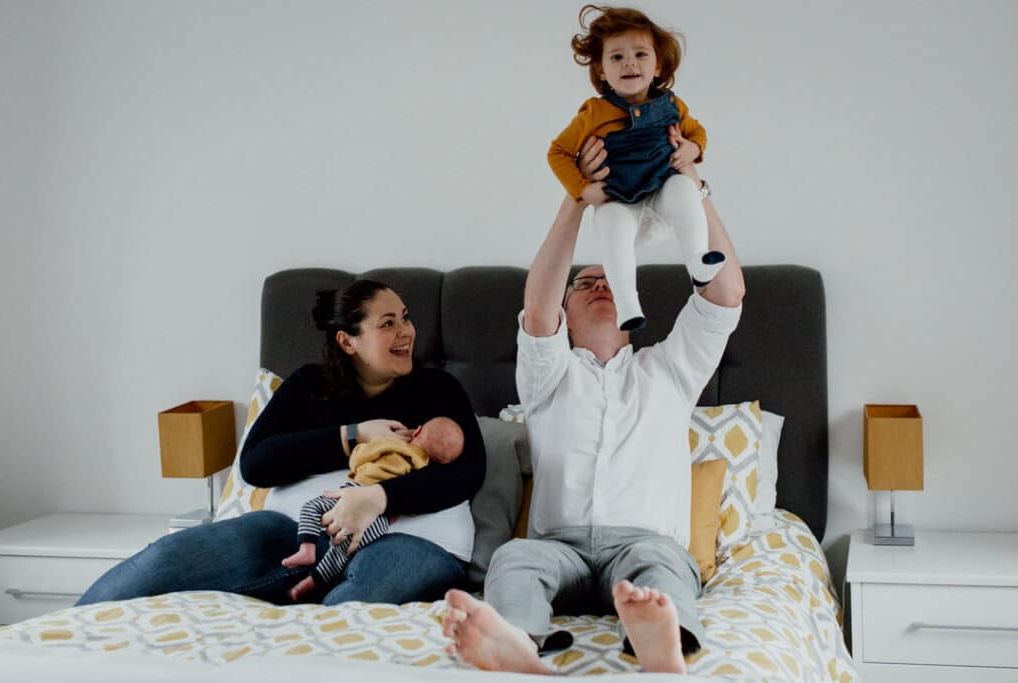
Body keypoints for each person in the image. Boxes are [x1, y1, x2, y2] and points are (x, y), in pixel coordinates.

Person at [442, 136, 745, 674]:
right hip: (558, 548)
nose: (601, 284)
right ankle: (518, 645)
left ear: (633, 305)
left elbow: (725, 296)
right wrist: (576, 198)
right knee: (513, 558)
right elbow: (537, 308)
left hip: (644, 545)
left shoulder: (670, 369)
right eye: (585, 282)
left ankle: (661, 643)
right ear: (565, 309)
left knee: (662, 569)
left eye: (612, 280)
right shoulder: (549, 374)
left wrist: (694, 186)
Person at [76, 281, 486, 607]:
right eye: (388, 323)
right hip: (291, 529)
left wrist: (378, 498)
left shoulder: (437, 388)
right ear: (348, 341)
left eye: (406, 318)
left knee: (350, 609)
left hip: (414, 538)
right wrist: (352, 435)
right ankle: (55, 652)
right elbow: (255, 465)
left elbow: (467, 474)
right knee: (162, 562)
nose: (406, 332)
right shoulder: (309, 386)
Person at [548, 5, 724, 331]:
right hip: (620, 200)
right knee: (612, 225)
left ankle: (699, 260)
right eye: (616, 57)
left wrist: (693, 148)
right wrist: (583, 188)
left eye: (641, 54)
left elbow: (697, 132)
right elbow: (557, 152)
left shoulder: (672, 104)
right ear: (601, 70)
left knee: (684, 188)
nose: (629, 62)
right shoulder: (594, 112)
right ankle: (628, 303)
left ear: (658, 66)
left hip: (661, 197)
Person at [282, 416, 465, 601]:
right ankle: (315, 580)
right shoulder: (423, 469)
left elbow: (359, 457)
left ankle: (306, 548)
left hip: (355, 493)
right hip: (382, 519)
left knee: (312, 507)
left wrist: (358, 453)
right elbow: (415, 501)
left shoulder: (390, 444)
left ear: (416, 431)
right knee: (345, 547)